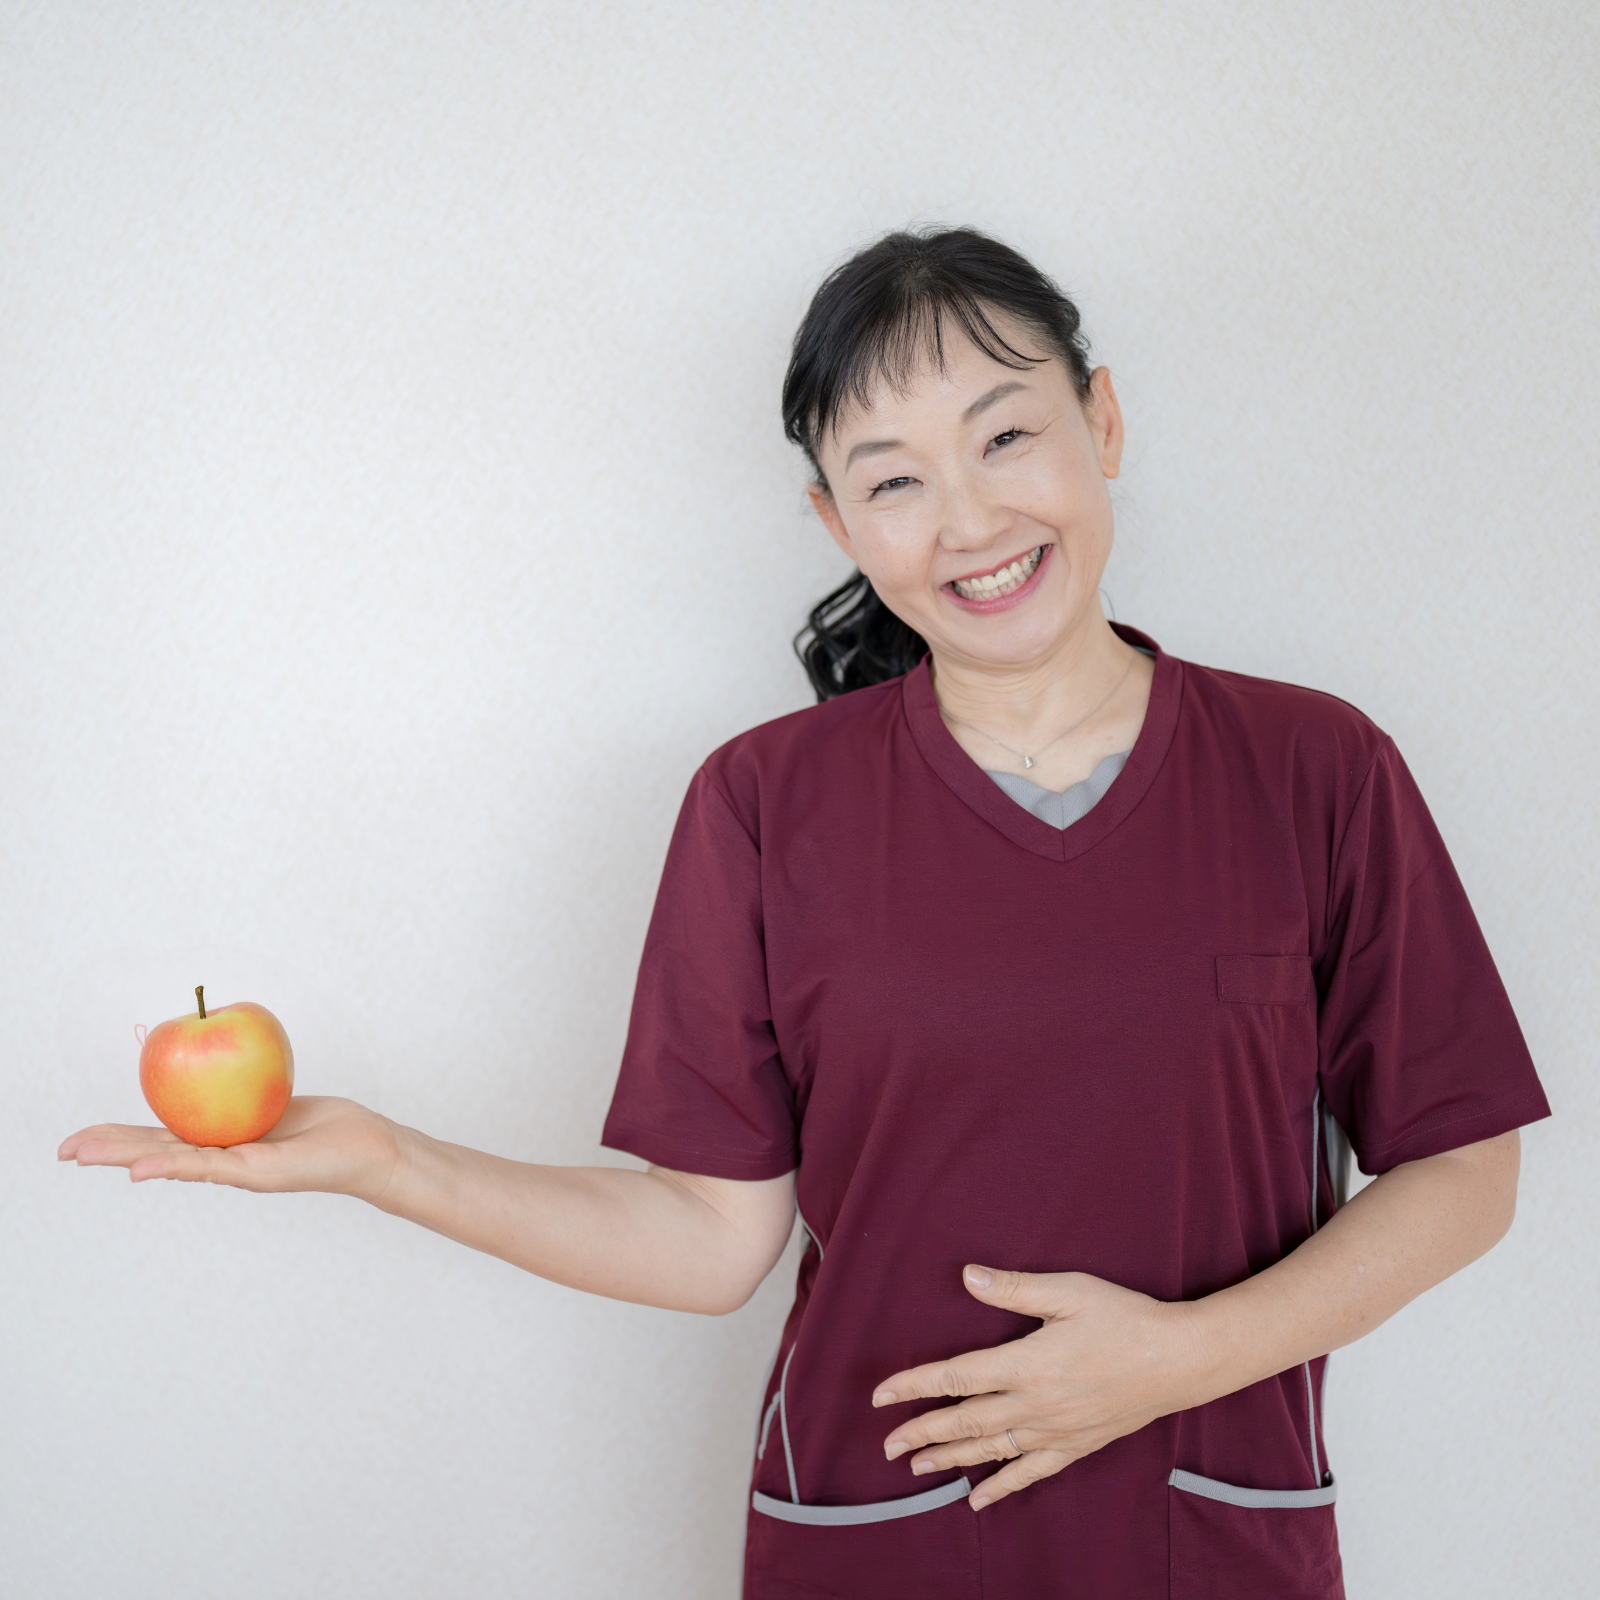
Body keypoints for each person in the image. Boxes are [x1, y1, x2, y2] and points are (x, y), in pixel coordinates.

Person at [61, 228, 1550, 1599]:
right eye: (894, 481)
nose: (968, 519)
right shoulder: (764, 804)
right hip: (877, 1541)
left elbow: (1464, 1169)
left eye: (1007, 436)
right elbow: (709, 1240)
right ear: (835, 519)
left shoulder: (1313, 770)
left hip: (1207, 1545)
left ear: (1102, 422)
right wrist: (389, 1162)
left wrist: (1179, 1360)